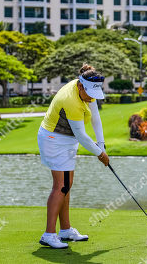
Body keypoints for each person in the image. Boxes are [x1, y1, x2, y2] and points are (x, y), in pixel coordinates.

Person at [37, 64, 109, 249]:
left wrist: (101, 145)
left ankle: (65, 230)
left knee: (66, 186)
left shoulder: (87, 89)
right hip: (54, 140)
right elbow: (82, 136)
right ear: (80, 86)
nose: (92, 97)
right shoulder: (71, 99)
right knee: (61, 186)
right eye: (90, 94)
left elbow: (95, 119)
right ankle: (49, 234)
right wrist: (100, 154)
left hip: (66, 140)